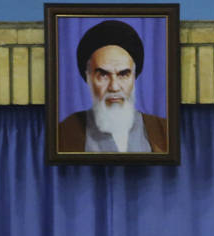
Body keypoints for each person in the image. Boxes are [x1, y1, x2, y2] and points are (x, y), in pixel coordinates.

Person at [58, 20, 168, 153]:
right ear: (88, 77)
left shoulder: (164, 131)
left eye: (123, 74)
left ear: (134, 77)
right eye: (103, 75)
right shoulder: (64, 133)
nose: (114, 87)